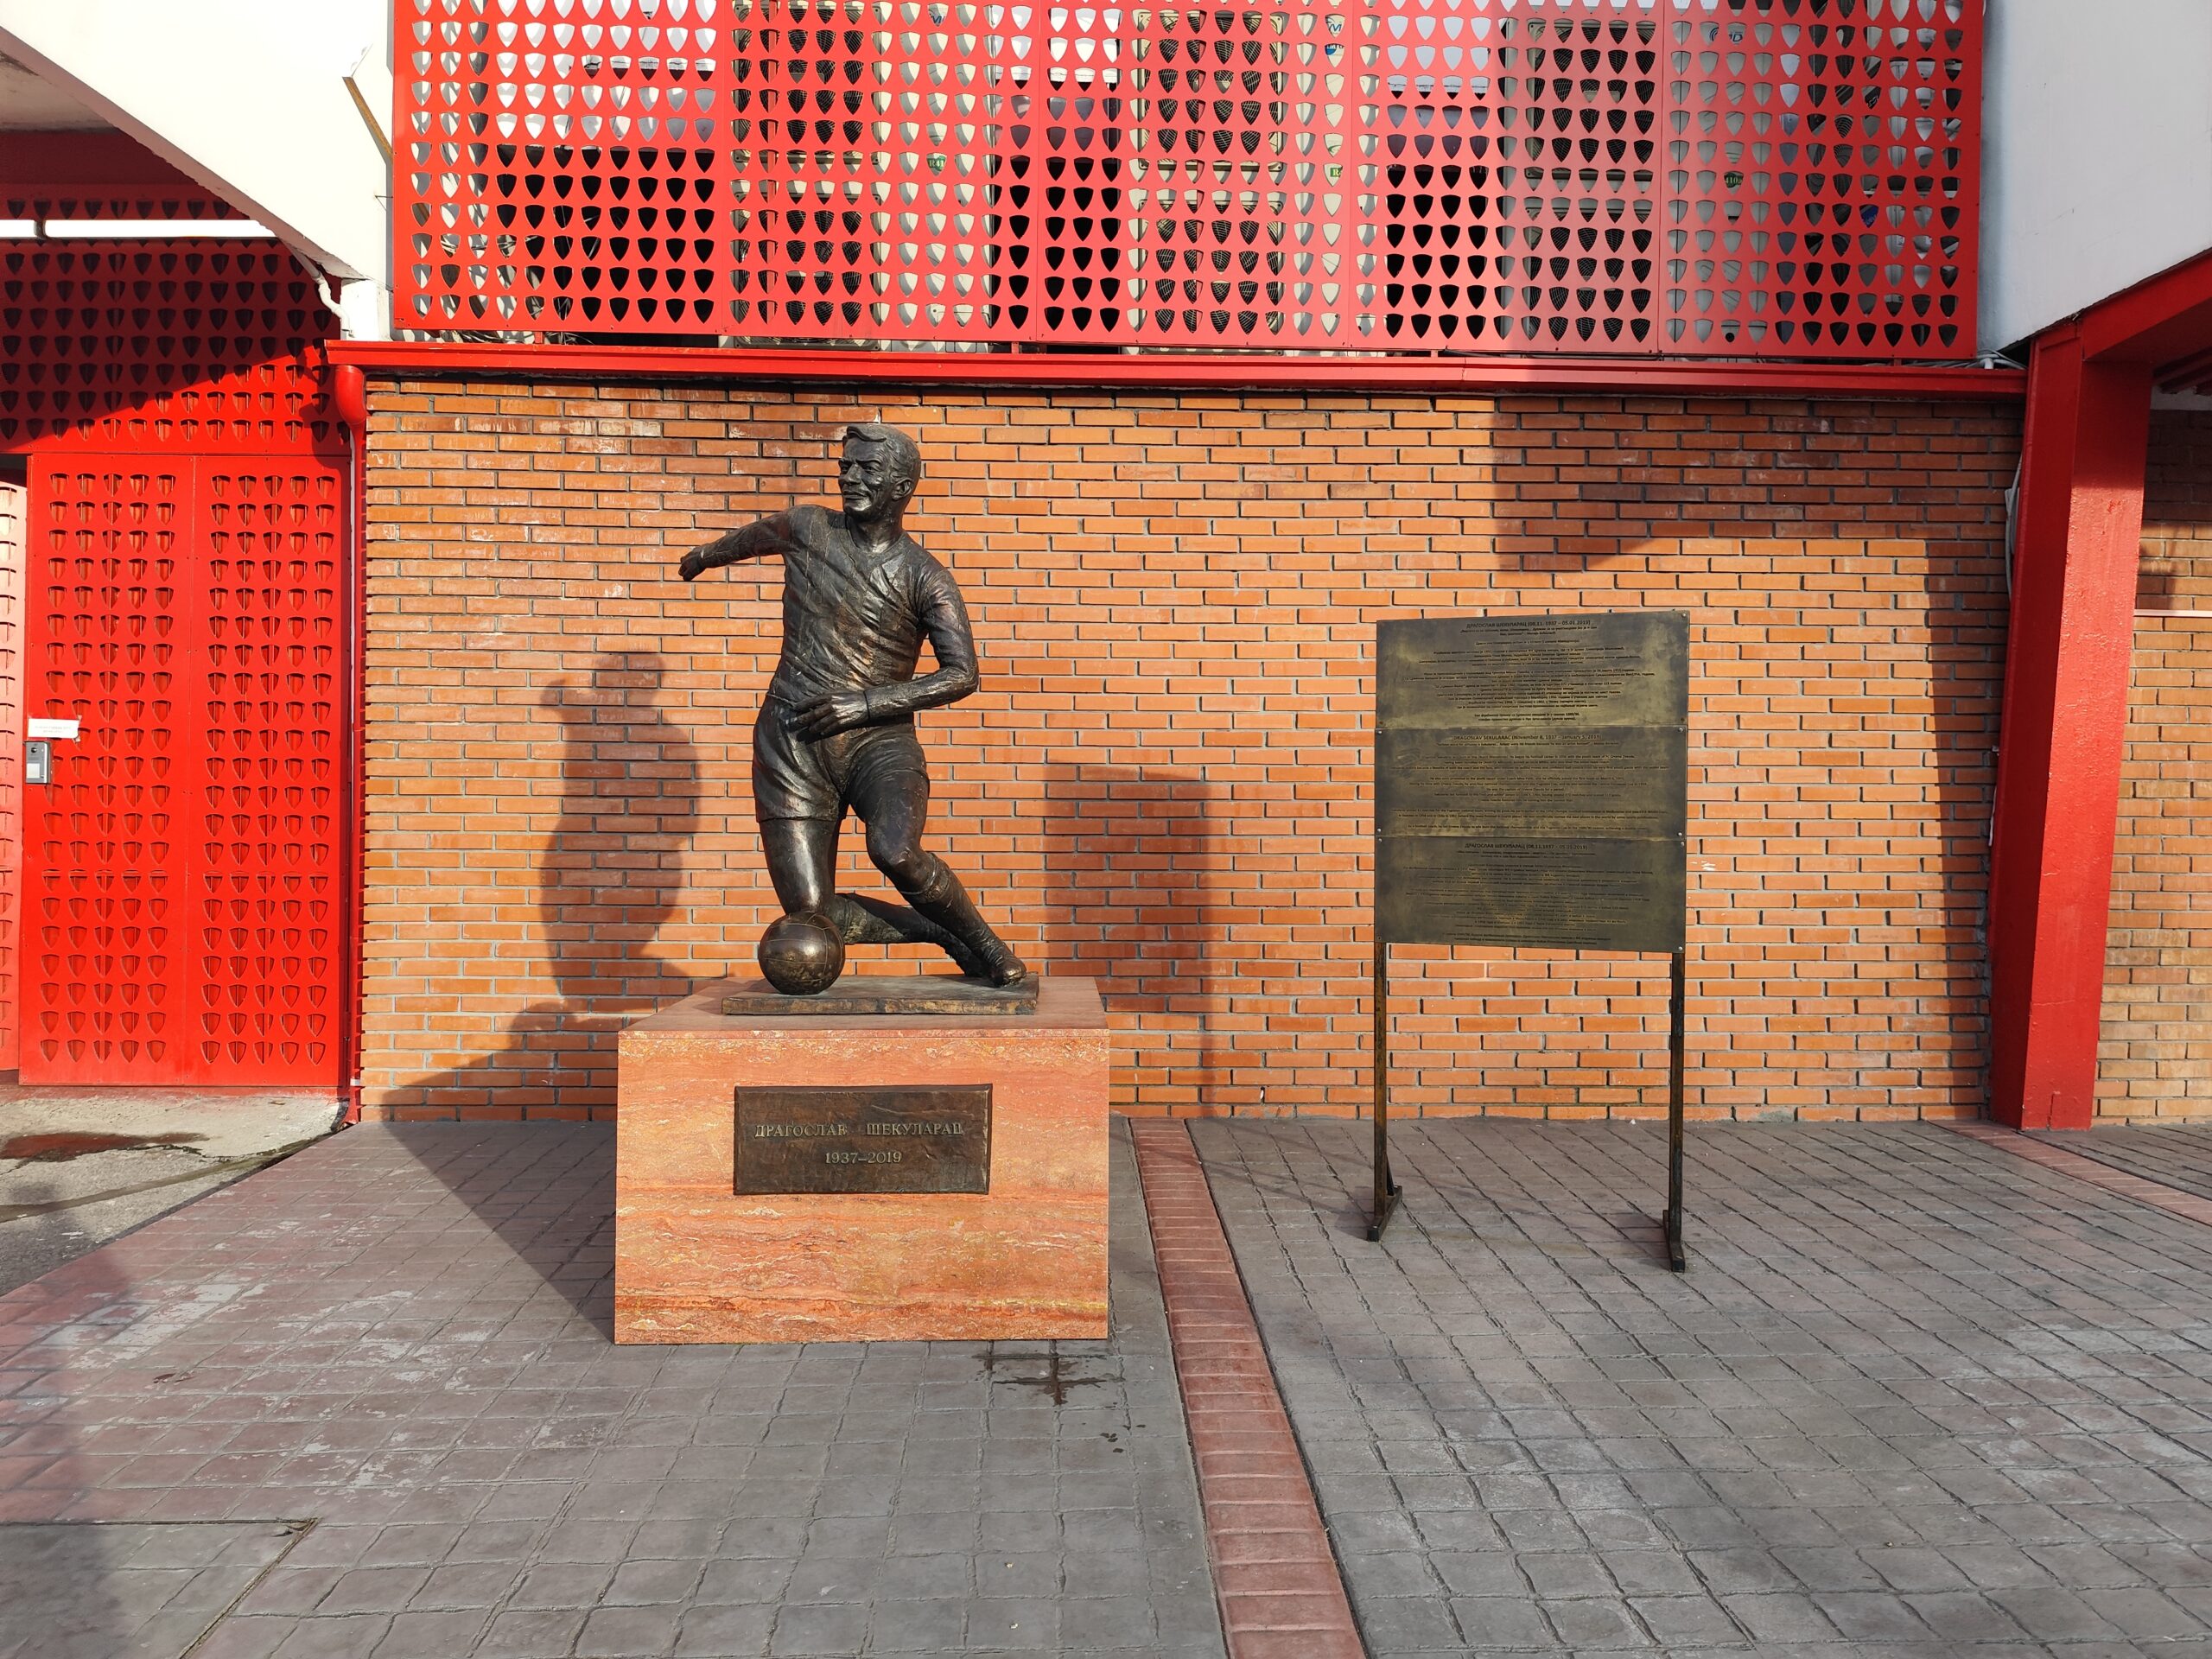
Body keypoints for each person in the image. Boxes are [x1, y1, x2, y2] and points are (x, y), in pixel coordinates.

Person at [677, 422, 1027, 988]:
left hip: (879, 742)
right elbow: (750, 537)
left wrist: (865, 703)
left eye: (867, 468)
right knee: (810, 918)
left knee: (895, 851)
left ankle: (982, 943)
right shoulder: (808, 527)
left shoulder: (924, 576)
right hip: (791, 742)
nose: (849, 476)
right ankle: (936, 930)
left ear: (902, 486)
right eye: (845, 466)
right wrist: (701, 556)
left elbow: (963, 674)